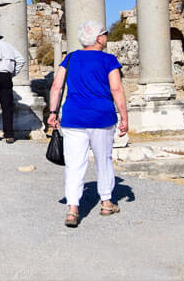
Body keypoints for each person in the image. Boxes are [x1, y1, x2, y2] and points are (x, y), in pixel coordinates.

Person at [47, 20, 128, 228]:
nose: (106, 37)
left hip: (73, 118)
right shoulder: (109, 60)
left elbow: (56, 87)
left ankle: (73, 209)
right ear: (99, 38)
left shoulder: (70, 58)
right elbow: (116, 90)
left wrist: (53, 112)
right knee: (104, 160)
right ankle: (107, 202)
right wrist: (124, 117)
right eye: (105, 34)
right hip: (102, 117)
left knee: (75, 164)